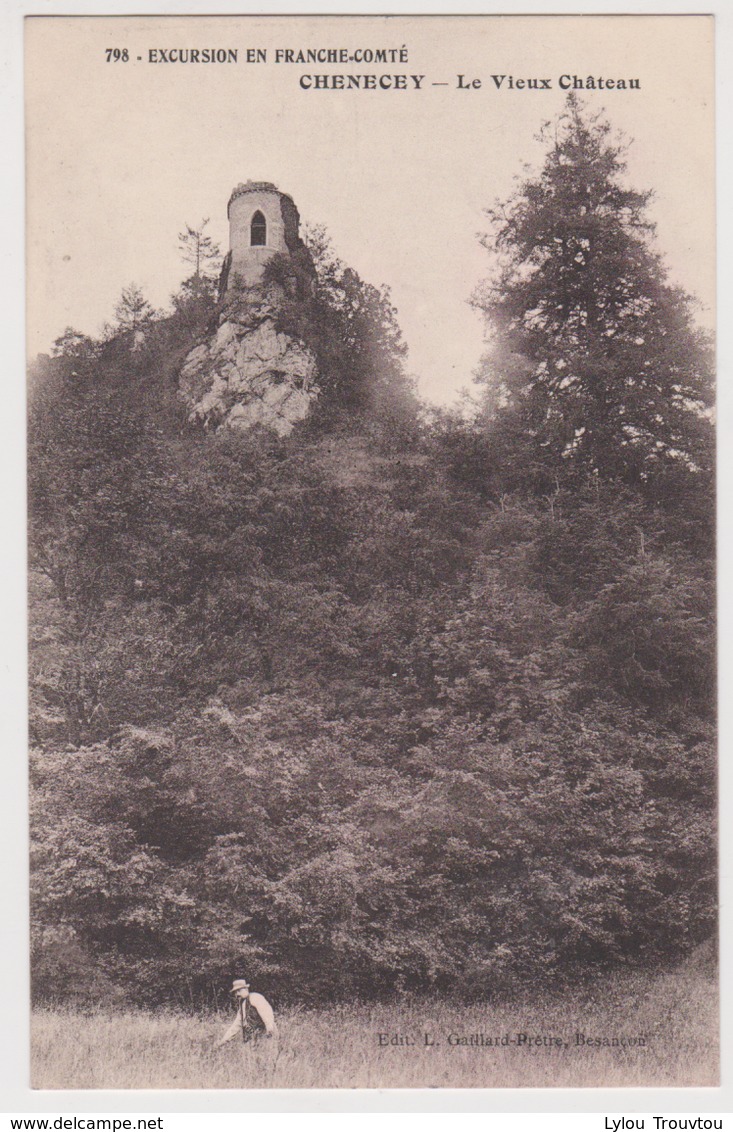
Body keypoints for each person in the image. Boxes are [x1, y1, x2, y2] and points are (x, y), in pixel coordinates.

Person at [215, 978, 278, 1047]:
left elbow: (267, 1014)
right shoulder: (242, 1005)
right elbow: (236, 1025)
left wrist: (269, 1030)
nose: (237, 994)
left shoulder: (256, 997)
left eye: (239, 991)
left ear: (246, 989)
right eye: (235, 992)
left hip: (266, 1035)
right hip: (253, 1038)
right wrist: (223, 1041)